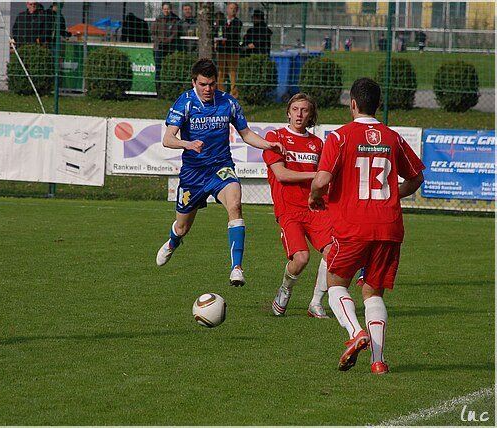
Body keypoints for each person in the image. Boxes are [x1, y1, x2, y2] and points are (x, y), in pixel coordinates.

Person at [308, 78, 425, 374]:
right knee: (373, 293)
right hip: (388, 226)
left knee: (336, 284)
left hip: (352, 226)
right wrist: (389, 195)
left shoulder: (340, 137)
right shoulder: (393, 138)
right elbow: (416, 178)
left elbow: (321, 180)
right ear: (379, 105)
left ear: (352, 104)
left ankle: (355, 332)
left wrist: (314, 196)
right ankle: (378, 361)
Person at [156, 58, 284, 286]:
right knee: (183, 227)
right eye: (203, 84)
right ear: (194, 82)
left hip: (221, 167)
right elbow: (167, 139)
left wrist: (268, 145)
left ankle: (237, 268)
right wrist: (188, 144)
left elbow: (246, 133)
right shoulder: (185, 103)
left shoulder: (228, 103)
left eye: (212, 84)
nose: (208, 89)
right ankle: (173, 241)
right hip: (193, 174)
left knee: (235, 205)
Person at [263, 93, 332, 318]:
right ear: (288, 113)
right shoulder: (275, 137)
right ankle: (285, 290)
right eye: (295, 109)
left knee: (334, 252)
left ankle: (316, 303)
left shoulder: (317, 143)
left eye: (304, 110)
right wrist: (317, 174)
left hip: (315, 207)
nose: (299, 114)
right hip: (289, 209)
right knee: (301, 258)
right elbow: (281, 175)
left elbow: (326, 179)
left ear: (311, 115)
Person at [151, 2, 180, 92]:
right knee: (158, 69)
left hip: (170, 48)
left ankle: (168, 90)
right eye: (164, 9)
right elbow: (153, 33)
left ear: (170, 9)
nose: (166, 10)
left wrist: (167, 41)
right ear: (162, 9)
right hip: (158, 48)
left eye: (167, 9)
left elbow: (175, 33)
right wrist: (159, 41)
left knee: (169, 68)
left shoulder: (175, 20)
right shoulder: (157, 20)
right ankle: (158, 91)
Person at [217, 2, 242, 98]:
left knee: (232, 72)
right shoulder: (221, 21)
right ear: (227, 9)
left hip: (233, 50)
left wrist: (225, 38)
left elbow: (233, 34)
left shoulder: (238, 22)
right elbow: (218, 32)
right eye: (231, 8)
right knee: (221, 71)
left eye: (234, 8)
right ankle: (220, 92)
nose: (233, 10)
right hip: (222, 50)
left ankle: (234, 94)